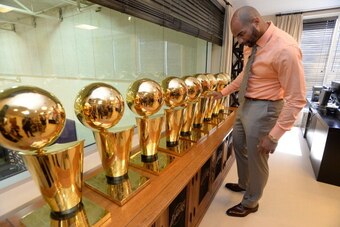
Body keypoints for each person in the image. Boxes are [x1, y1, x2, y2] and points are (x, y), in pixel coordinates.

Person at [212, 6, 306, 217]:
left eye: (241, 34)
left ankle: (251, 202)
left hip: (266, 108)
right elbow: (246, 74)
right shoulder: (251, 43)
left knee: (257, 157)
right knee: (238, 145)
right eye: (236, 36)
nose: (239, 40)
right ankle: (245, 184)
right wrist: (224, 92)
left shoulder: (286, 49)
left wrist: (274, 136)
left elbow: (297, 98)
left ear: (255, 22)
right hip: (245, 104)